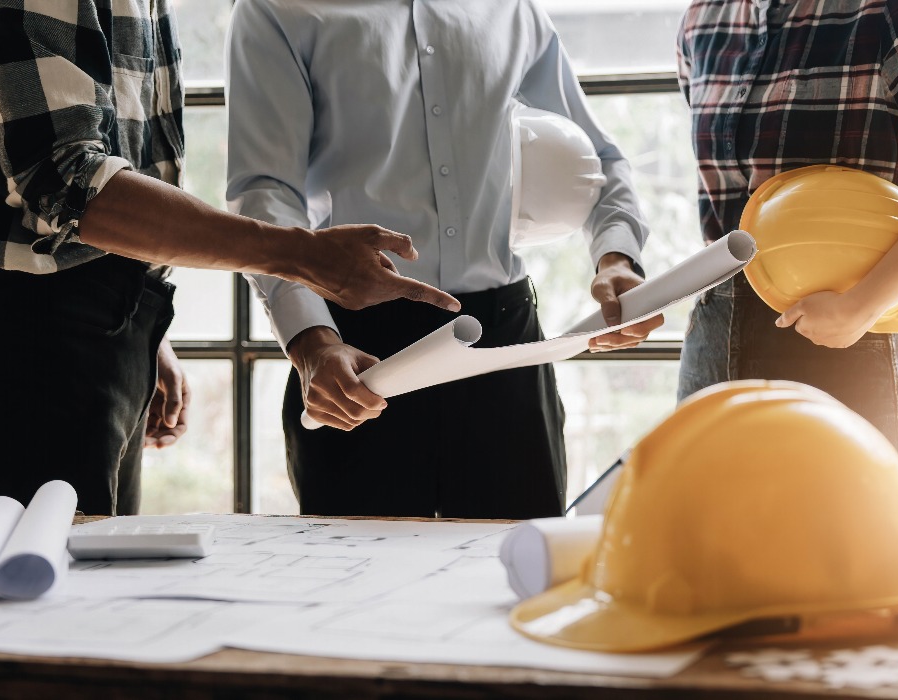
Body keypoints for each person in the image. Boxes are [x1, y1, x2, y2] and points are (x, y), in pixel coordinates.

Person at [0, 0, 458, 516]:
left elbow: (93, 174)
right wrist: (304, 256)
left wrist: (138, 319)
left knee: (88, 595)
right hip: (28, 343)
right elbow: (69, 181)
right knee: (34, 595)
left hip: (86, 319)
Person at [226, 0, 663, 519]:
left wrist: (616, 257)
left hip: (504, 344)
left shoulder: (511, 10)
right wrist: (311, 341)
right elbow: (265, 192)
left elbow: (602, 159)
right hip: (354, 348)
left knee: (514, 578)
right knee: (357, 586)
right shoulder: (276, 9)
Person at [676, 0, 898, 489]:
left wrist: (863, 304)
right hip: (712, 338)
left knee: (857, 554)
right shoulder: (704, 18)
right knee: (703, 549)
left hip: (845, 340)